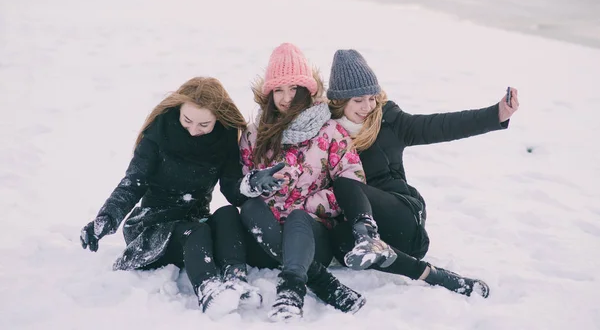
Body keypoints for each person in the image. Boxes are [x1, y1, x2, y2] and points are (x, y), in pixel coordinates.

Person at [326, 49, 520, 298]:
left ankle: (375, 242)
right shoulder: (325, 131)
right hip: (359, 230)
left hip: (403, 220)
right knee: (336, 240)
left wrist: (496, 114)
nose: (368, 107)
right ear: (340, 101)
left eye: (372, 97)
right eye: (358, 100)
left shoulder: (390, 121)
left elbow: (440, 126)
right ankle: (432, 274)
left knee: (346, 184)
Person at [79, 77, 278, 319]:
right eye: (187, 121)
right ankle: (209, 290)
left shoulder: (224, 140)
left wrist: (251, 184)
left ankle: (236, 281)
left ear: (218, 118)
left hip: (194, 221)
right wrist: (106, 219)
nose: (194, 130)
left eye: (204, 124)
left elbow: (231, 190)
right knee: (197, 233)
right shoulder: (159, 133)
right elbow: (132, 184)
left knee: (227, 214)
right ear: (178, 111)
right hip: (154, 225)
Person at [229, 43, 369, 322]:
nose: (286, 97)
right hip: (265, 234)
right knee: (249, 209)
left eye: (293, 88)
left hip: (312, 236)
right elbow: (243, 184)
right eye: (278, 90)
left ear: (307, 89)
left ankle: (291, 289)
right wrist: (258, 184)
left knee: (297, 218)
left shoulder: (330, 132)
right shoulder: (255, 135)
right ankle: (319, 279)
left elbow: (352, 184)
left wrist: (306, 205)